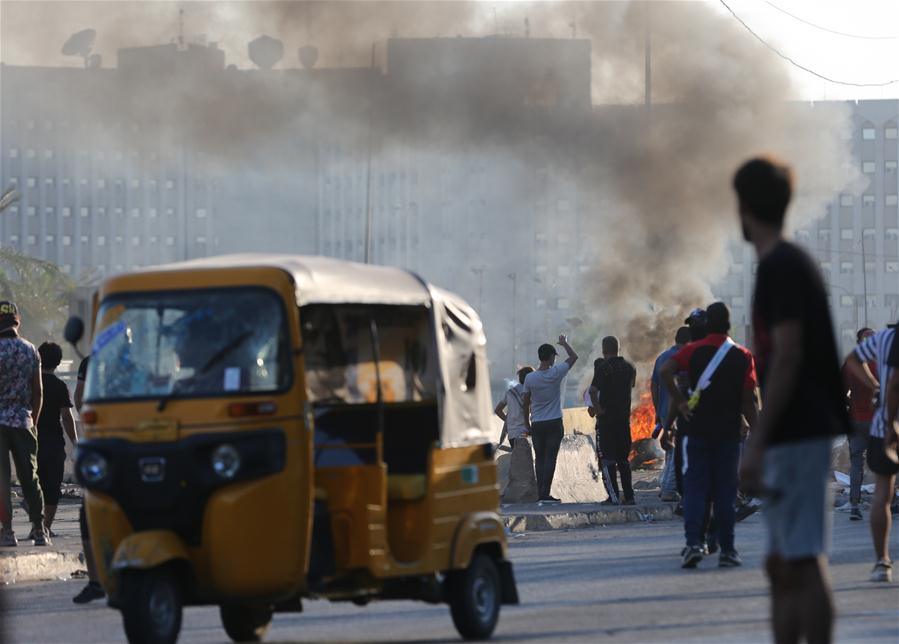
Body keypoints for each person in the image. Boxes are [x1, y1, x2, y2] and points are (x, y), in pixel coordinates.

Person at [735, 157, 849, 644]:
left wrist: (757, 440)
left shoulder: (782, 265)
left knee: (802, 560)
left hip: (798, 431)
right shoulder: (783, 263)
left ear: (743, 207)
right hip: (795, 432)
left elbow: (787, 355)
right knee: (782, 564)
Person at [661, 302, 758, 569]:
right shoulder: (742, 355)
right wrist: (758, 432)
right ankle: (727, 550)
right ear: (728, 324)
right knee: (724, 493)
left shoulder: (690, 352)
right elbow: (749, 401)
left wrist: (680, 403)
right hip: (727, 434)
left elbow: (665, 371)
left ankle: (694, 543)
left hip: (695, 432)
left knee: (694, 490)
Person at [844, 324, 897, 582]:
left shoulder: (885, 339)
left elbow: (851, 362)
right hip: (884, 425)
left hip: (877, 424)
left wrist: (874, 385)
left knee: (881, 493)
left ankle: (882, 561)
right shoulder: (884, 341)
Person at [0, 301, 48, 547]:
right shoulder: (31, 350)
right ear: (18, 322)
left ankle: (7, 532)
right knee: (30, 477)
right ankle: (39, 530)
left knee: (1, 479)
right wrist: (34, 421)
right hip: (23, 421)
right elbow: (38, 392)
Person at [522, 335, 578, 505]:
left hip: (537, 423)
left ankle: (541, 493)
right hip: (554, 422)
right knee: (550, 458)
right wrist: (564, 343)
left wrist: (527, 424)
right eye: (554, 356)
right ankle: (545, 493)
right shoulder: (556, 372)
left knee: (539, 458)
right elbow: (574, 357)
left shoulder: (530, 378)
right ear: (551, 357)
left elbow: (525, 403)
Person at [72, 354, 105, 604]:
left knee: (89, 512)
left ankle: (96, 580)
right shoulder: (149, 356)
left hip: (103, 443)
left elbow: (80, 398)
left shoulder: (93, 359)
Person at [35, 342, 78, 537]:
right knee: (52, 486)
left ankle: (37, 524)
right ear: (59, 362)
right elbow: (67, 418)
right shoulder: (60, 386)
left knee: (34, 484)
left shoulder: (31, 383)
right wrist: (76, 443)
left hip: (31, 440)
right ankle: (45, 528)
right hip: (53, 443)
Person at [589, 336, 637, 505]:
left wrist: (599, 409)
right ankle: (629, 497)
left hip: (606, 420)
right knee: (623, 459)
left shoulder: (603, 368)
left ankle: (614, 497)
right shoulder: (630, 368)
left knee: (607, 459)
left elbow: (593, 390)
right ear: (618, 348)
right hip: (623, 419)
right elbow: (631, 386)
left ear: (604, 350)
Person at [841, 327, 877, 521]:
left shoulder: (850, 364)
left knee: (856, 462)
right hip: (878, 421)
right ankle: (889, 503)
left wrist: (851, 404)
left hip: (856, 420)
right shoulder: (883, 362)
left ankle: (854, 505)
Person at [652, 326, 692, 502]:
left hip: (662, 409)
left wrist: (657, 408)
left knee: (669, 450)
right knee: (676, 450)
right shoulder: (683, 358)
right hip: (677, 409)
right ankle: (669, 489)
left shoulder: (661, 357)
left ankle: (665, 486)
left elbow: (653, 386)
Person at [495, 366, 534, 448]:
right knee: (527, 458)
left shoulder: (510, 392)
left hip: (512, 434)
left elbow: (498, 410)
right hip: (524, 433)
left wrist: (509, 420)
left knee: (520, 458)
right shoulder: (531, 392)